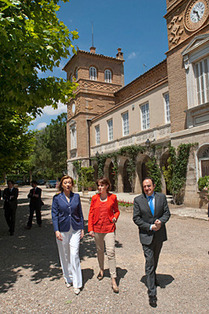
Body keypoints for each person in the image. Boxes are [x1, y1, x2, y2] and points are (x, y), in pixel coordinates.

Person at [133, 177, 170, 308]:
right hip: (146, 236)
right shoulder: (138, 200)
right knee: (149, 262)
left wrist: (161, 221)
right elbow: (136, 218)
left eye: (149, 186)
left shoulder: (161, 197)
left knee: (155, 259)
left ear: (153, 186)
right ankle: (152, 293)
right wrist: (149, 226)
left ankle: (153, 277)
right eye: (144, 187)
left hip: (159, 235)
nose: (147, 189)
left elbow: (167, 213)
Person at [51, 175, 84, 295]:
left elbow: (79, 213)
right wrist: (56, 230)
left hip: (75, 228)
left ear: (72, 184)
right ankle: (68, 277)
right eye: (65, 183)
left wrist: (81, 228)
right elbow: (54, 215)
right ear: (62, 184)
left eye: (69, 182)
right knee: (64, 254)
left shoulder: (76, 197)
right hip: (62, 229)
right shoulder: (57, 198)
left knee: (74, 254)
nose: (68, 185)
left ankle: (77, 283)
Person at [88, 177, 120, 293]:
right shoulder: (94, 198)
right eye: (99, 185)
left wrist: (115, 217)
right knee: (100, 250)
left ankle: (113, 278)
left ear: (107, 186)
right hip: (97, 228)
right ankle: (101, 269)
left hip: (109, 228)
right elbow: (91, 213)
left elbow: (117, 210)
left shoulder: (113, 197)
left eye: (102, 185)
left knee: (111, 252)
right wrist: (90, 229)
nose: (100, 188)